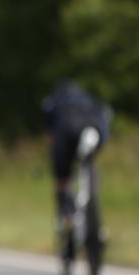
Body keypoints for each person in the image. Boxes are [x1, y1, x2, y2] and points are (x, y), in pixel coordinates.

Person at [42, 80, 112, 227]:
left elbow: (50, 130)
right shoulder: (89, 99)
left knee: (62, 176)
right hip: (94, 130)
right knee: (89, 165)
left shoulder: (55, 100)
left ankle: (66, 214)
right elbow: (107, 114)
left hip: (66, 133)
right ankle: (91, 198)